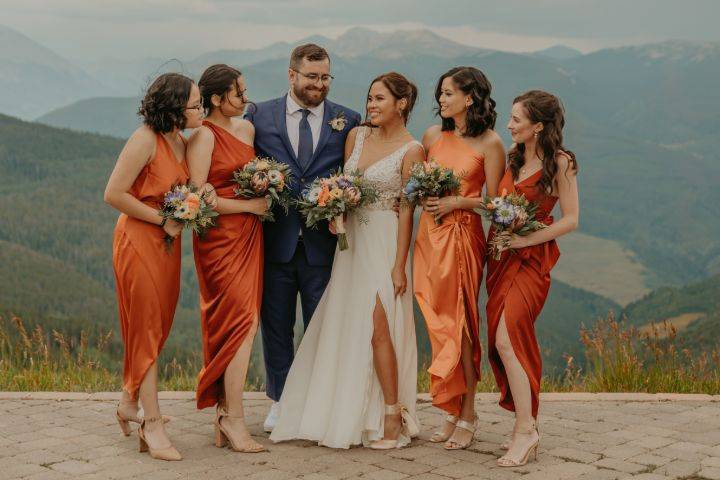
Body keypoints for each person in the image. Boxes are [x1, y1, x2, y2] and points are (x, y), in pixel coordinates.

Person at [269, 72, 424, 449]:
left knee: (379, 325)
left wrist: (400, 265)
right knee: (349, 324)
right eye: (369, 98)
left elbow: (407, 211)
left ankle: (392, 412)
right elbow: (341, 185)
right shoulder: (356, 135)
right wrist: (334, 209)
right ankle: (348, 410)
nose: (370, 106)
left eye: (380, 99)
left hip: (385, 241)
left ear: (401, 104)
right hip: (351, 243)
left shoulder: (413, 150)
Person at [243, 44, 361, 432]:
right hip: (273, 241)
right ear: (291, 75)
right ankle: (279, 400)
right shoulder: (259, 115)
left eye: (325, 77)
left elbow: (352, 176)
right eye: (312, 76)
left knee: (321, 327)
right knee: (275, 326)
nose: (319, 84)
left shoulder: (348, 119)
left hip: (322, 246)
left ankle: (317, 401)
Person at [104, 73, 205, 461]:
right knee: (146, 326)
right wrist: (161, 220)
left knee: (158, 323)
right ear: (175, 108)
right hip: (139, 241)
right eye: (195, 104)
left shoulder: (180, 140)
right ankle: (152, 423)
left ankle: (130, 400)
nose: (201, 110)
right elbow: (113, 193)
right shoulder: (144, 139)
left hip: (168, 245)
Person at [413, 66, 505, 450]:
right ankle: (450, 405)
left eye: (449, 93)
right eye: (441, 93)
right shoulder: (433, 135)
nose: (441, 100)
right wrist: (427, 198)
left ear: (470, 98)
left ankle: (468, 412)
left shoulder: (491, 143)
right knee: (437, 322)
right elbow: (416, 185)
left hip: (463, 236)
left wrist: (459, 200)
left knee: (461, 323)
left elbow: (497, 202)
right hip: (429, 235)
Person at [486, 90, 579, 467]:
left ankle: (526, 430)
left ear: (538, 126)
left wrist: (526, 236)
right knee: (501, 340)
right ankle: (525, 425)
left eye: (516, 120)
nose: (508, 125)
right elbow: (495, 204)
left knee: (509, 339)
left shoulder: (561, 163)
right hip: (500, 258)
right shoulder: (513, 157)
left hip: (531, 261)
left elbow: (571, 220)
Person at [187, 64, 267, 453]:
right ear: (217, 99)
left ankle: (226, 413)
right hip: (219, 240)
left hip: (250, 238)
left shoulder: (248, 129)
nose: (245, 98)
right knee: (239, 324)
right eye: (239, 93)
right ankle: (233, 419)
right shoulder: (203, 136)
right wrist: (252, 205)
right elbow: (201, 198)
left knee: (247, 320)